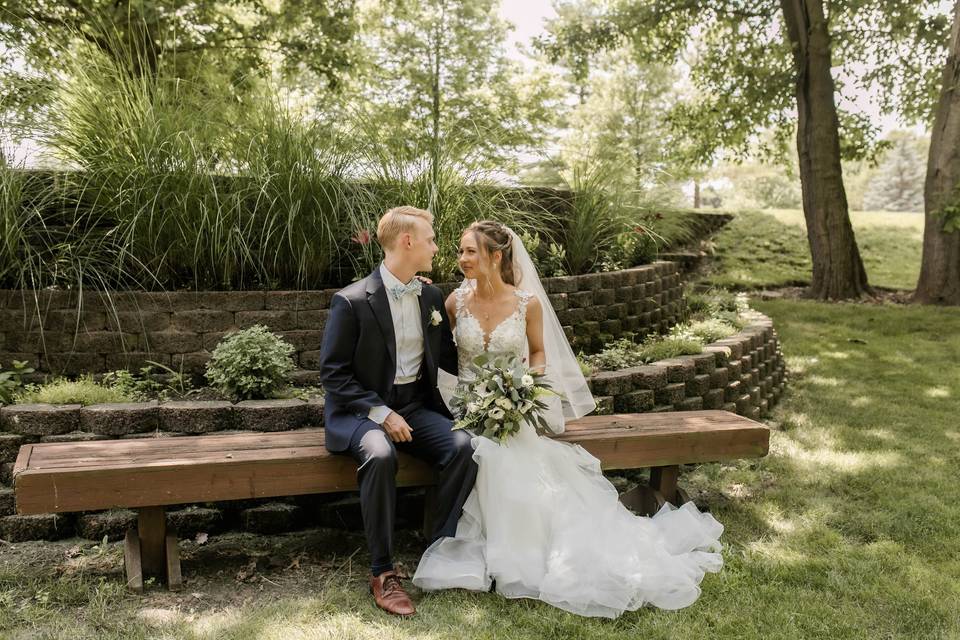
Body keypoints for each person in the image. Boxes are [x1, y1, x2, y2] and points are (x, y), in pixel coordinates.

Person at [412, 220, 725, 618]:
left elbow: (539, 353)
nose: (461, 259)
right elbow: (438, 351)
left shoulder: (527, 303)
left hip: (511, 408)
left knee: (503, 460)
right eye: (459, 251)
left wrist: (528, 385)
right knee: (479, 453)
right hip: (465, 407)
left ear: (496, 256)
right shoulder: (455, 302)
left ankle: (522, 551)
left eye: (470, 251)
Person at [318, 206, 477, 617]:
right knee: (381, 453)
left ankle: (439, 551)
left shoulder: (431, 296)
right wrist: (381, 413)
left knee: (465, 446)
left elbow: (446, 361)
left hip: (415, 406)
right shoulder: (350, 301)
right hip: (359, 413)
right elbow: (332, 375)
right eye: (431, 239)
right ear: (408, 241)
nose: (436, 248)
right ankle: (382, 571)